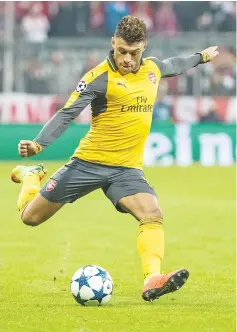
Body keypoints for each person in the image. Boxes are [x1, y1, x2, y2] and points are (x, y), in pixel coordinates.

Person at [11, 16, 219, 302]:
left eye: (134, 53)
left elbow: (175, 64)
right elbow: (67, 112)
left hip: (126, 170)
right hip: (88, 163)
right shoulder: (98, 78)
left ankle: (152, 279)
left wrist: (201, 57)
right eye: (122, 51)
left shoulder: (152, 68)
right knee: (30, 218)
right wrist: (38, 144)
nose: (127, 59)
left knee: (152, 214)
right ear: (113, 43)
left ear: (143, 47)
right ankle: (31, 177)